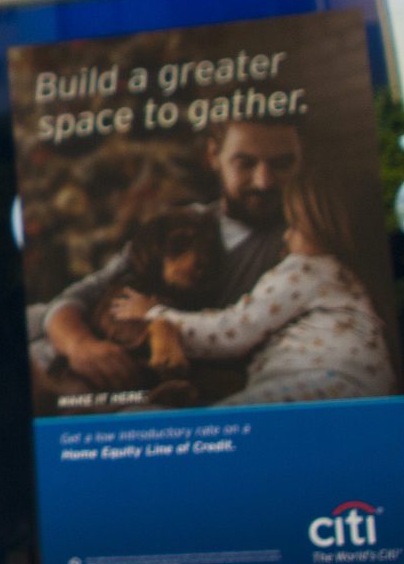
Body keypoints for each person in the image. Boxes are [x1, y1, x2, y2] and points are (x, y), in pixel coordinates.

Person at [36, 117, 306, 399]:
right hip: (84, 361)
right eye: (245, 163)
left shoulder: (304, 242)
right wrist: (80, 346)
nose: (264, 182)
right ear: (214, 156)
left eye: (282, 164)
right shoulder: (181, 224)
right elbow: (75, 299)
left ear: (301, 161)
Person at [113, 168, 395, 405]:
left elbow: (231, 332)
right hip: (367, 390)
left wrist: (155, 314)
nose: (286, 237)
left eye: (294, 226)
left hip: (320, 382)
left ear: (322, 226)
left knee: (219, 426)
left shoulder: (304, 270)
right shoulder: (353, 278)